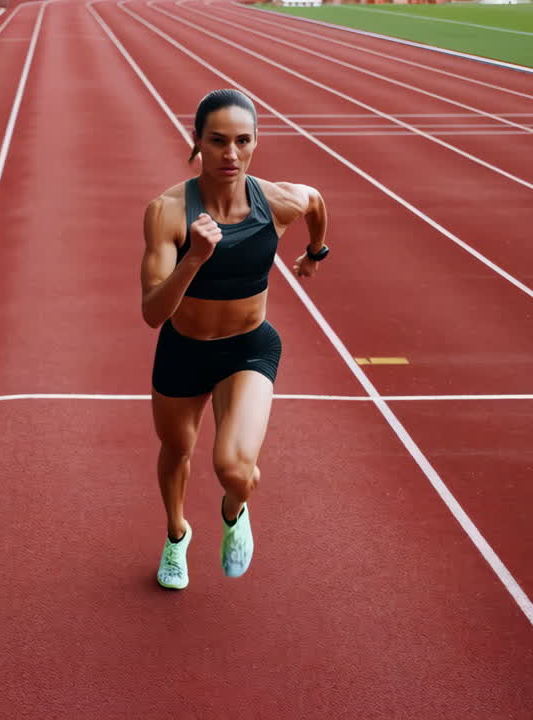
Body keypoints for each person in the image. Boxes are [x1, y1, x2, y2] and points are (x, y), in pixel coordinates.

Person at [141, 88, 330, 590]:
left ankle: (233, 510)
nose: (230, 154)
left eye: (242, 141)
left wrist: (316, 252)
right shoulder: (168, 212)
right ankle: (176, 535)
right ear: (197, 141)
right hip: (183, 350)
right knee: (177, 449)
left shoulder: (278, 201)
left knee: (235, 468)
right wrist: (195, 259)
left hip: (248, 347)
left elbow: (315, 202)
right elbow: (153, 313)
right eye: (218, 140)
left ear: (255, 142)